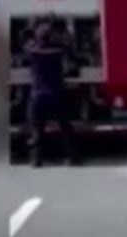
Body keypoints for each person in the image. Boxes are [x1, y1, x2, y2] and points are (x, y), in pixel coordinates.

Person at [26, 17, 78, 167]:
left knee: (37, 128)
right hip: (56, 94)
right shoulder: (57, 50)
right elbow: (68, 46)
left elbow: (27, 43)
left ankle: (36, 160)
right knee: (65, 127)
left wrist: (32, 31)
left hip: (38, 96)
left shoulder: (33, 51)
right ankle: (70, 158)